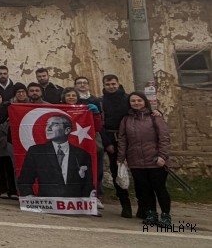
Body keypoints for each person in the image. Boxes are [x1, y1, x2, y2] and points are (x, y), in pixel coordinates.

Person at [118, 92, 172, 228]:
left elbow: (164, 138)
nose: (136, 103)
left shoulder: (155, 117)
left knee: (159, 189)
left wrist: (163, 156)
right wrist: (121, 159)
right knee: (144, 190)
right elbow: (123, 140)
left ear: (145, 101)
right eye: (133, 101)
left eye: (139, 100)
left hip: (155, 160)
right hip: (135, 161)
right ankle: (151, 213)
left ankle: (165, 215)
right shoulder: (126, 120)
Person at [17, 115, 95, 197]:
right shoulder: (36, 152)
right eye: (47, 124)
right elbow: (24, 181)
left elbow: (88, 184)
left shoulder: (82, 154)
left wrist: (90, 194)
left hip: (73, 203)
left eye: (55, 124)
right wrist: (29, 196)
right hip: (47, 202)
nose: (48, 128)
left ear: (67, 130)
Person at [100, 74, 133, 218]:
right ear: (104, 86)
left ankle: (144, 205)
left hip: (130, 139)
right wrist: (107, 143)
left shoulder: (129, 99)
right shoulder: (101, 102)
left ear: (118, 84)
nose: (111, 87)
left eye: (113, 84)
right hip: (111, 140)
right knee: (116, 172)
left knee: (137, 171)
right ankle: (125, 205)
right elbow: (100, 124)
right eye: (108, 84)